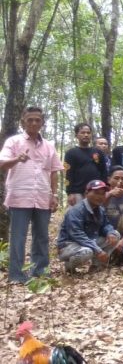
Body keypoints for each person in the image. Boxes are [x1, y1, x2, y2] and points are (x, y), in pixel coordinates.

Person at [0, 107, 64, 283]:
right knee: (18, 237)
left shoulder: (49, 145)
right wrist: (17, 159)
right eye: (30, 120)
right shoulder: (13, 142)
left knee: (42, 236)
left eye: (37, 120)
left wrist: (55, 195)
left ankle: (40, 272)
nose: (34, 123)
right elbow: (2, 163)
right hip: (20, 195)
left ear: (42, 122)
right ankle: (16, 275)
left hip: (43, 196)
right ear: (23, 122)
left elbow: (54, 172)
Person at [57, 180, 123, 272]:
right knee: (87, 252)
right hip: (69, 245)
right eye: (96, 193)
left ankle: (97, 266)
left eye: (102, 194)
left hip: (89, 240)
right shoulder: (76, 211)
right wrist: (98, 250)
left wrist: (109, 232)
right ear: (86, 193)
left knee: (115, 235)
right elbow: (77, 235)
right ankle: (69, 268)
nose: (99, 197)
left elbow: (106, 224)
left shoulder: (99, 209)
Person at [64, 123, 108, 206]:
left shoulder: (98, 152)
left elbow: (103, 171)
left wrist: (104, 189)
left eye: (88, 133)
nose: (86, 135)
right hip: (77, 192)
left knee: (95, 216)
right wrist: (69, 193)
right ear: (76, 135)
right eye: (83, 133)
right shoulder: (71, 153)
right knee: (77, 216)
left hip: (96, 191)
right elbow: (68, 174)